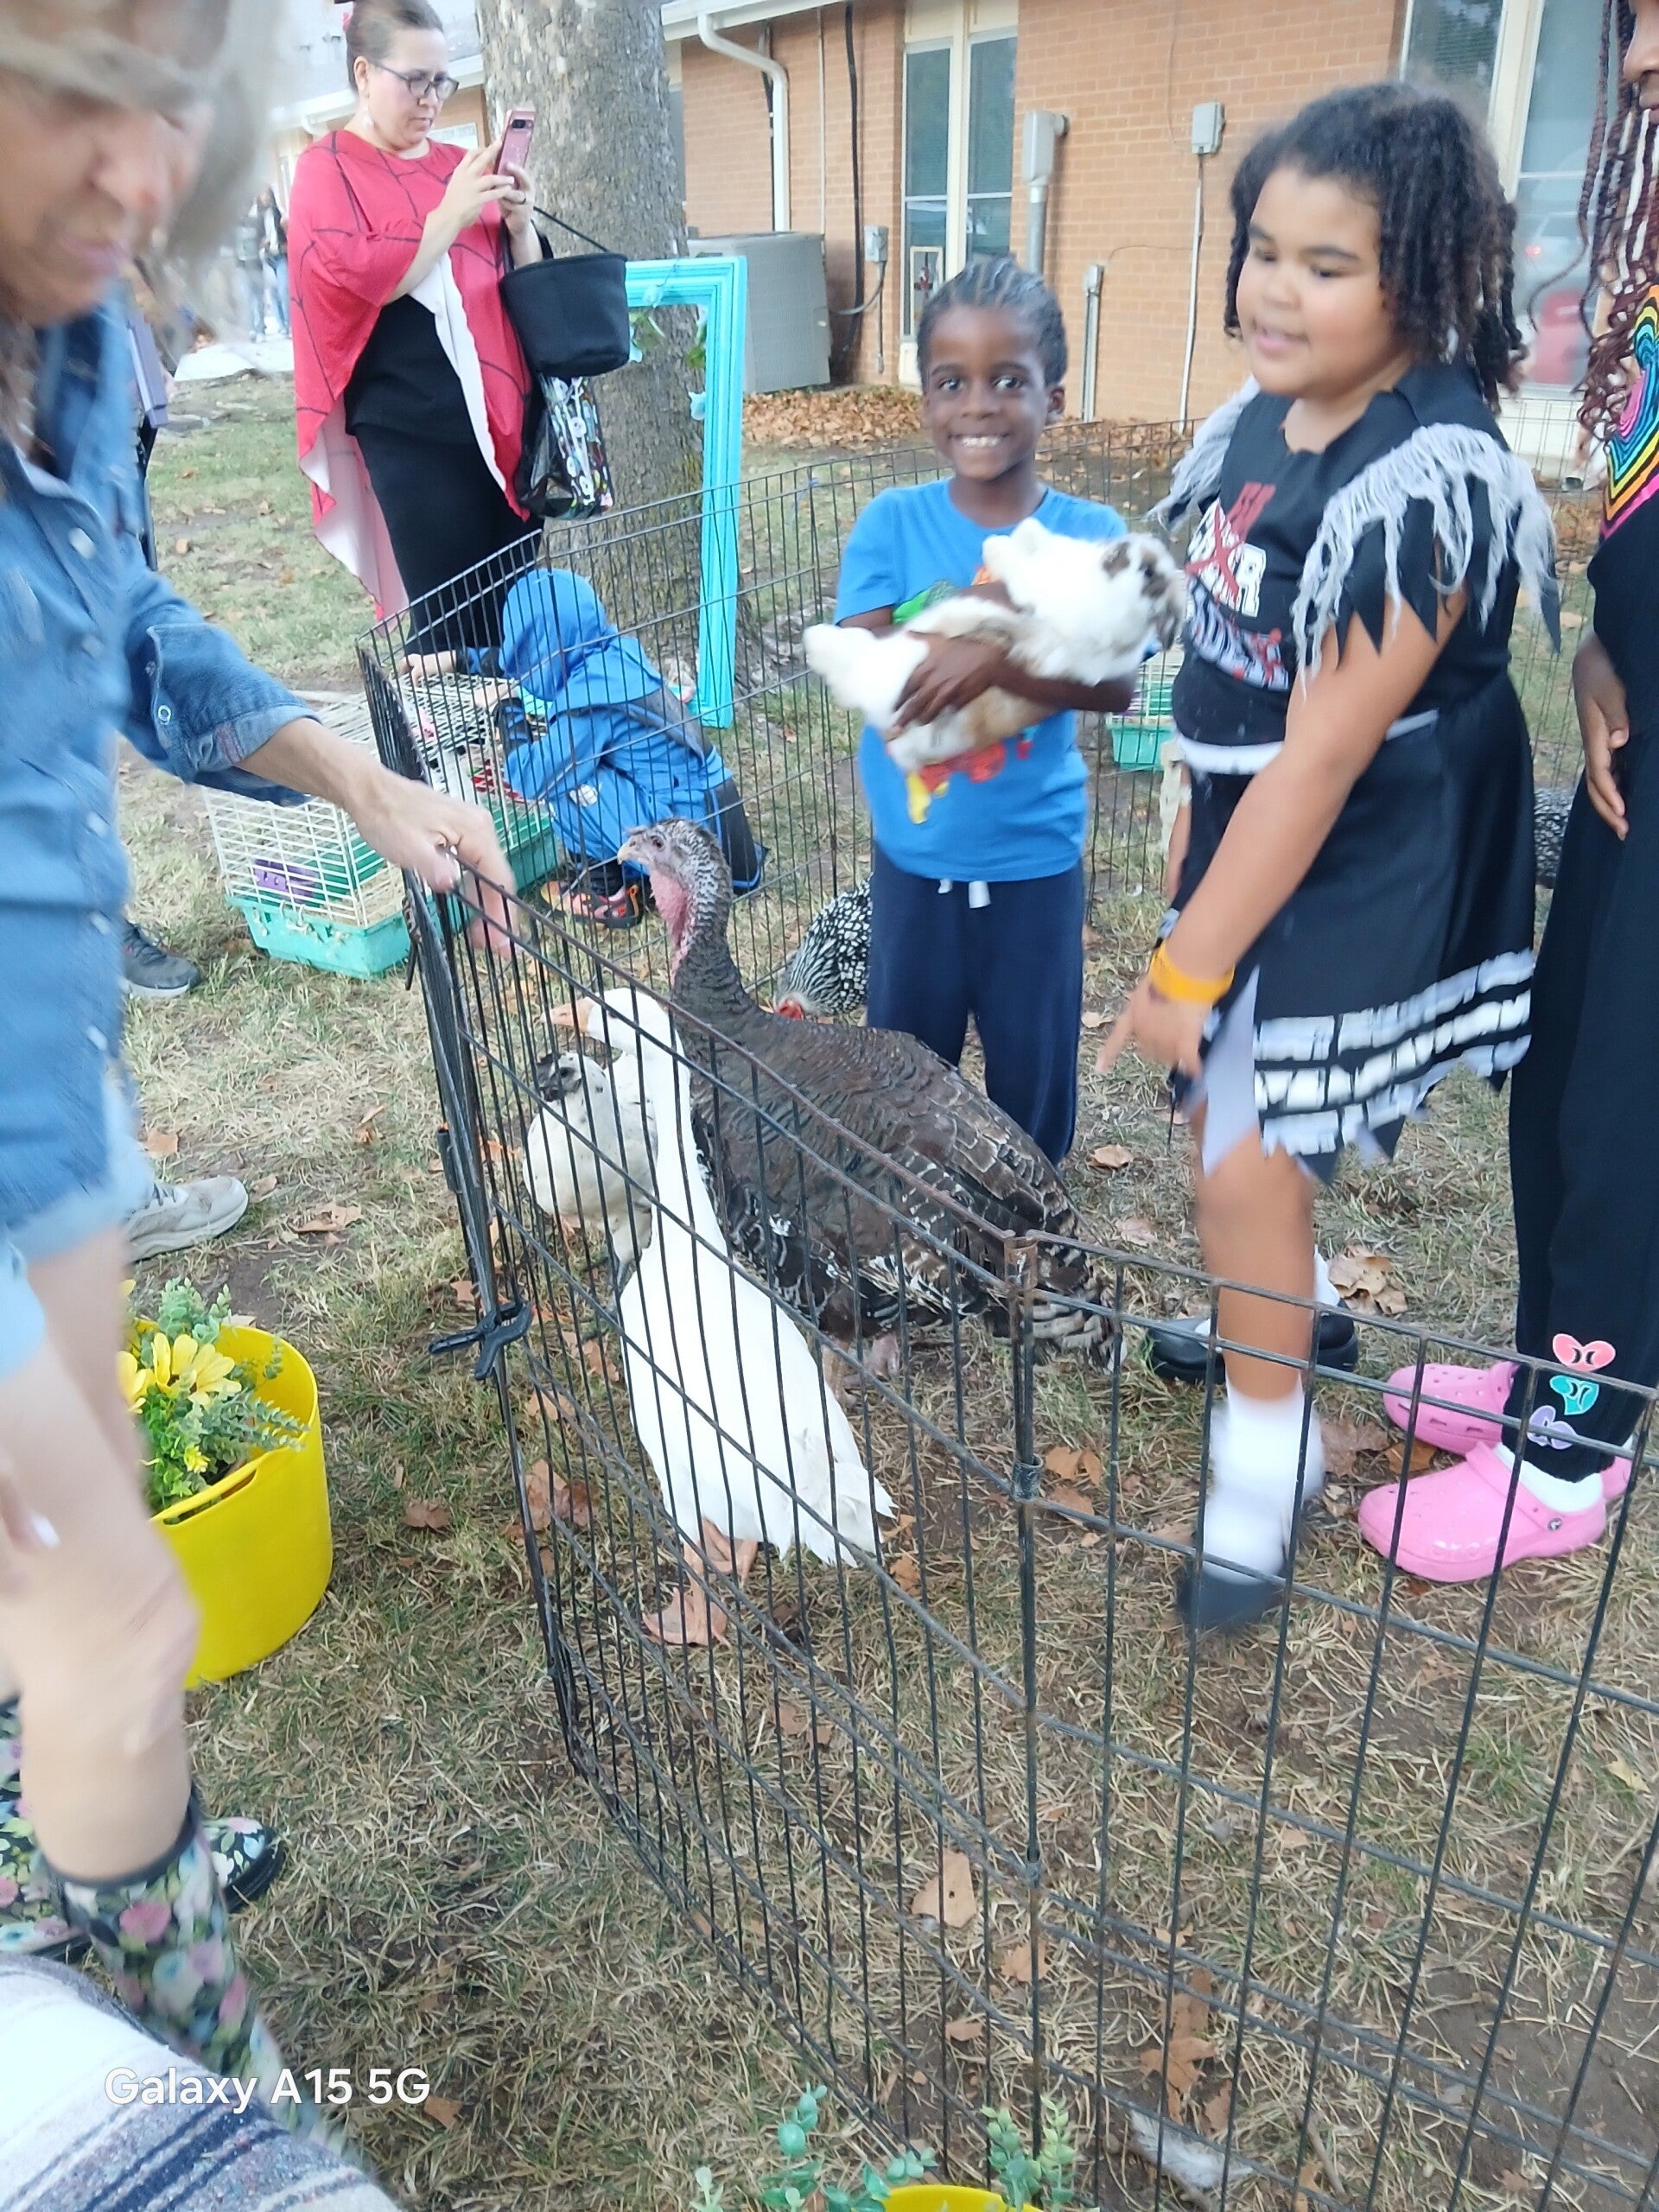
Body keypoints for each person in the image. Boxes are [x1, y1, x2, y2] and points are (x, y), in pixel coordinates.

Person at [0, 0, 511, 2131]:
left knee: (65, 1568)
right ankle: (209, 2109)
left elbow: (120, 623)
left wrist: (360, 782)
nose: (141, 175)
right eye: (73, 94)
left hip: (49, 1087)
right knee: (111, 1610)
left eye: (169, 107)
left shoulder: (67, 333)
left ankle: (67, 1875)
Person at [1100, 83, 1554, 1631]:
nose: (1274, 292)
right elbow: (1224, 638)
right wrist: (1184, 790)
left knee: (1242, 1133)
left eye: (1328, 265)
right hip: (1259, 812)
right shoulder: (1259, 418)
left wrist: (1188, 964)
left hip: (1370, 841)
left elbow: (1321, 758)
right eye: (1262, 251)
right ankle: (1281, 1310)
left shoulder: (1427, 480)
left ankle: (1268, 1446)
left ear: (1420, 280)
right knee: (1231, 1128)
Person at [1360, 0, 1659, 1583]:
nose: (1638, 61)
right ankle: (1556, 1359)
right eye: (1630, 22)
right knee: (1563, 1066)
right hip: (1640, 731)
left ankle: (1576, 1450)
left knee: (1628, 1104)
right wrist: (1609, 647)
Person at [832, 257, 1136, 1166]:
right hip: (914, 867)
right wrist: (1007, 633)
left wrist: (990, 655)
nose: (979, 405)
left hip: (1033, 869)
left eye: (1009, 380)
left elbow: (1115, 682)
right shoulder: (892, 524)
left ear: (1055, 398)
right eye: (951, 381)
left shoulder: (1090, 536)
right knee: (903, 1085)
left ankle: (1028, 1227)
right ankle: (913, 1221)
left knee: (1031, 1095)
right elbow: (869, 667)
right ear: (925, 396)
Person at [287, 0, 542, 669]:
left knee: (518, 622)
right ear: (364, 73)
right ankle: (442, 741)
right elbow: (355, 276)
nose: (431, 99)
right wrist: (450, 214)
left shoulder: (459, 164)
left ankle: (518, 735)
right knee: (448, 630)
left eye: (442, 81)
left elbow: (522, 283)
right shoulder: (326, 169)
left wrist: (519, 225)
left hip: (505, 426)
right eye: (416, 80)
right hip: (411, 434)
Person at [493, 568, 765, 927]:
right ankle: (631, 872)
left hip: (692, 849)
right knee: (580, 765)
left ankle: (609, 898)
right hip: (712, 822)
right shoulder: (615, 655)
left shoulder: (588, 701)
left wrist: (509, 714)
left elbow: (533, 778)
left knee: (563, 780)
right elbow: (517, 661)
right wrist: (457, 660)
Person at [257, 182, 287, 340]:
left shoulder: (277, 213)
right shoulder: (257, 217)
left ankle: (288, 324)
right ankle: (282, 325)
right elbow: (256, 238)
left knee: (284, 289)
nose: (265, 197)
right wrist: (261, 243)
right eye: (263, 194)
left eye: (267, 194)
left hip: (280, 255)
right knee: (273, 292)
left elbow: (285, 232)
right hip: (267, 257)